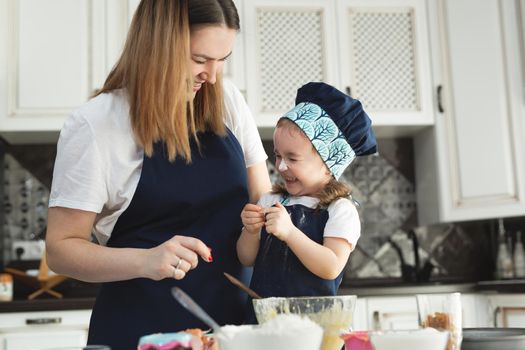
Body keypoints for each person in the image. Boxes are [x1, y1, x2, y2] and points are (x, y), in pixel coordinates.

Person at [45, 1, 271, 349]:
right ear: (158, 45)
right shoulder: (96, 125)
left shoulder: (226, 100)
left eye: (221, 60)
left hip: (232, 333)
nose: (211, 75)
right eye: (199, 59)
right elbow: (61, 250)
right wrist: (145, 260)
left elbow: (264, 206)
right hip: (137, 333)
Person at [237, 82, 377, 302]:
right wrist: (250, 231)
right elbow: (246, 259)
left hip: (314, 324)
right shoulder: (270, 200)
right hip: (263, 322)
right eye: (278, 155)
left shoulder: (340, 210)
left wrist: (290, 233)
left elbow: (331, 266)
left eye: (292, 158)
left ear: (328, 165)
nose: (281, 166)